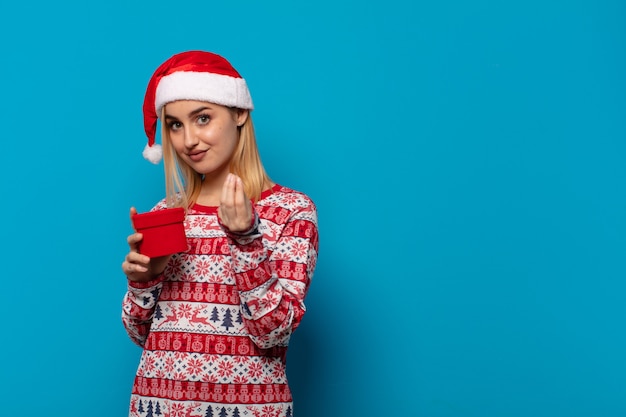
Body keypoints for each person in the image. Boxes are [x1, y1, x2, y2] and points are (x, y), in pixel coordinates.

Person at [121, 50, 319, 417]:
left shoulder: (291, 211)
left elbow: (273, 333)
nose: (188, 140)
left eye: (202, 118)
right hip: (157, 406)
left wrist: (246, 240)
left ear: (239, 112)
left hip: (251, 408)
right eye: (175, 125)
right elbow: (140, 336)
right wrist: (144, 281)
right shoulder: (166, 214)